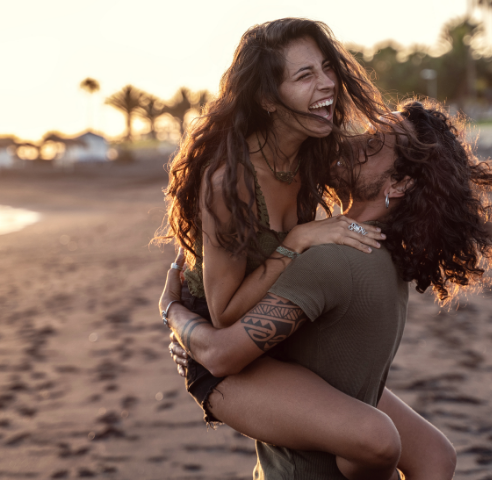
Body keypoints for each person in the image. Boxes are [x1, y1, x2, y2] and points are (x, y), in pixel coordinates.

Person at [161, 99, 492, 479]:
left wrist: (173, 311)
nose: (352, 144)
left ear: (399, 184)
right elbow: (436, 457)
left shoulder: (330, 261)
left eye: (373, 145)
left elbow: (220, 357)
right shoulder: (386, 259)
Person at [157, 17, 409, 479]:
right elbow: (226, 312)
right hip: (222, 352)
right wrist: (295, 242)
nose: (327, 83)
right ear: (269, 100)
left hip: (274, 338)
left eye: (326, 67)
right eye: (305, 75)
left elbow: (391, 169)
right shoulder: (229, 182)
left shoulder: (313, 152)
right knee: (374, 442)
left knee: (433, 453)